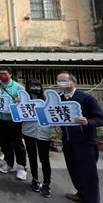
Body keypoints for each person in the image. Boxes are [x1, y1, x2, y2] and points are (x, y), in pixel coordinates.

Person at [57, 72, 103, 203]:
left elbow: (100, 118)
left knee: (88, 173)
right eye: (59, 81)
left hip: (85, 141)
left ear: (73, 82)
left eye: (64, 81)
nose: (61, 83)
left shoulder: (86, 98)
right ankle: (81, 194)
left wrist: (87, 121)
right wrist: (58, 125)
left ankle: (92, 199)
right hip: (68, 140)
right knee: (73, 169)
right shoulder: (59, 99)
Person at [0, 66, 27, 181]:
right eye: (0, 73)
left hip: (14, 120)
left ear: (10, 75)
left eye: (4, 73)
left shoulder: (18, 87)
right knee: (4, 143)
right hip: (0, 119)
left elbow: (25, 103)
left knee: (17, 143)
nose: (1, 75)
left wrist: (16, 103)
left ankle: (22, 167)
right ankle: (8, 164)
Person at [21, 78, 51, 197]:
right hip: (28, 131)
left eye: (38, 85)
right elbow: (16, 112)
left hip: (43, 132)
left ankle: (47, 183)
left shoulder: (47, 100)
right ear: (28, 87)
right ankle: (35, 179)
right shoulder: (23, 100)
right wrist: (17, 103)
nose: (36, 88)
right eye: (33, 85)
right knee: (32, 156)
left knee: (44, 158)